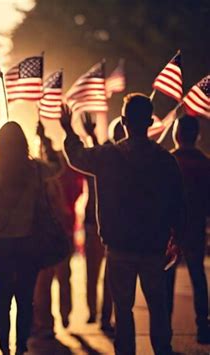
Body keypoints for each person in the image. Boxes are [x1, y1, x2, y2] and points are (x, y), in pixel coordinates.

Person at [60, 94, 185, 355]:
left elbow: (76, 156)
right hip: (154, 247)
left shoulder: (108, 156)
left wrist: (69, 130)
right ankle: (163, 349)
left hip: (119, 248)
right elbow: (178, 202)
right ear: (149, 122)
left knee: (123, 310)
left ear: (125, 122)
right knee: (158, 307)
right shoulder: (165, 160)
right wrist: (177, 237)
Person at [0, 122, 61, 355]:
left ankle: (4, 348)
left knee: (1, 299)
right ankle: (21, 347)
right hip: (28, 241)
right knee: (25, 298)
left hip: (0, 242)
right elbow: (57, 167)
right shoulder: (34, 169)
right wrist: (45, 139)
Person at [33, 123, 81, 337]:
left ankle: (62, 313)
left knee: (59, 277)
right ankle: (48, 321)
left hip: (59, 234)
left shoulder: (60, 175)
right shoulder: (37, 176)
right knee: (45, 281)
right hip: (49, 236)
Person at [167, 115, 210, 344]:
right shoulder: (206, 163)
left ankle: (164, 329)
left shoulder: (169, 162)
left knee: (167, 280)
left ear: (177, 134)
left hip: (171, 231)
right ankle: (203, 325)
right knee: (198, 277)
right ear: (197, 135)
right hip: (196, 229)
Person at [82, 115, 118, 332]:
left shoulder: (108, 160)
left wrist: (91, 136)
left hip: (97, 223)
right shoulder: (119, 161)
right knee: (105, 273)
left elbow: (94, 158)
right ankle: (101, 315)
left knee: (94, 272)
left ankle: (96, 313)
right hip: (105, 223)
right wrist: (92, 136)